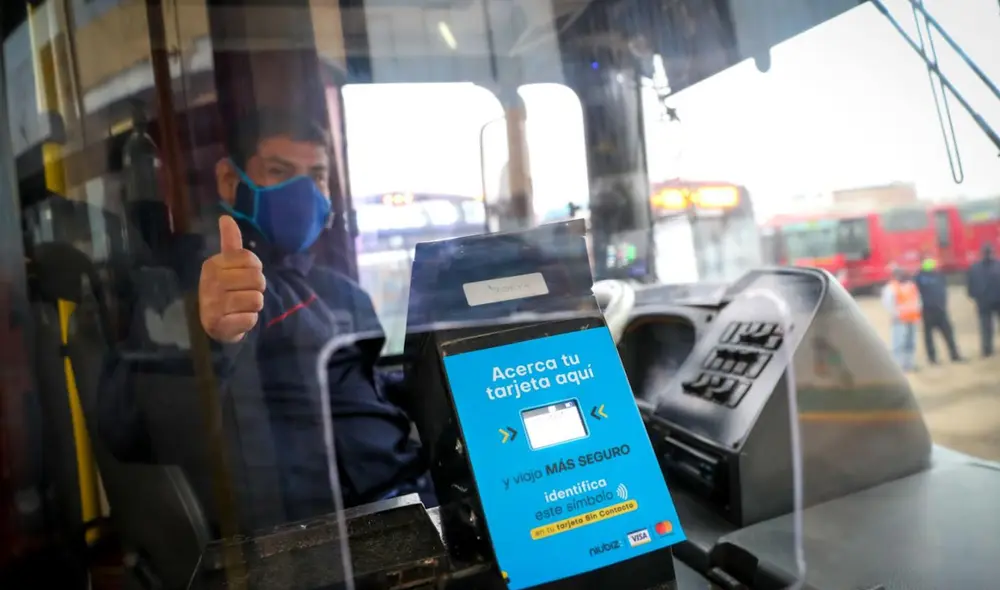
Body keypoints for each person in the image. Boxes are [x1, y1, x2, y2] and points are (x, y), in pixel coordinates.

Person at [99, 109, 435, 526]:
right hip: (330, 533)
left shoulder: (341, 290)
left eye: (316, 176)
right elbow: (126, 426)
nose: (304, 193)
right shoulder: (200, 280)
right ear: (230, 181)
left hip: (417, 494)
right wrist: (207, 339)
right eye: (279, 171)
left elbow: (370, 385)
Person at [914, 256, 963, 365]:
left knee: (948, 333)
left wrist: (944, 304)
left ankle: (954, 354)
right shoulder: (918, 277)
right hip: (927, 311)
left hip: (941, 310)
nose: (930, 264)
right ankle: (932, 358)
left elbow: (943, 289)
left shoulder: (939, 275)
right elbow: (915, 293)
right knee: (929, 336)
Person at [881, 264, 921, 372]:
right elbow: (887, 304)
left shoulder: (911, 285)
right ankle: (898, 367)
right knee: (898, 344)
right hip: (899, 319)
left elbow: (917, 300)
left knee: (910, 343)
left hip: (912, 318)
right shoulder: (891, 287)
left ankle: (909, 364)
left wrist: (918, 313)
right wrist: (895, 314)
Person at [967, 243, 1000, 358]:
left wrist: (975, 296)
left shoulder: (974, 267)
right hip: (996, 300)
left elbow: (970, 286)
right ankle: (987, 349)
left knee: (985, 327)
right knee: (986, 326)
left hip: (983, 301)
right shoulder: (998, 265)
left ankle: (987, 349)